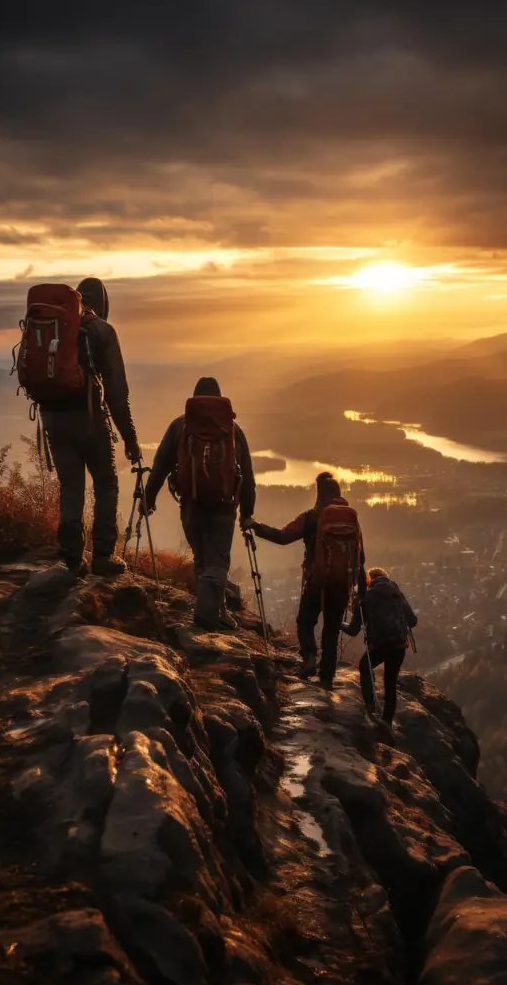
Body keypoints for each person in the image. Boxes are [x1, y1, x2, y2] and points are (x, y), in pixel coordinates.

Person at [41, 278, 141, 577]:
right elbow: (116, 393)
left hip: (52, 417)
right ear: (103, 302)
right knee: (106, 483)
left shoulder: (55, 327)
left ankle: (72, 557)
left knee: (71, 484)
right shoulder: (102, 331)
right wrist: (130, 437)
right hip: (87, 418)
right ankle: (102, 556)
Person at [144, 377, 255, 631]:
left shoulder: (180, 427)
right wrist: (248, 513)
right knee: (217, 564)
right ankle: (206, 618)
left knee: (203, 561)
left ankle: (217, 612)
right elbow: (247, 477)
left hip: (191, 507)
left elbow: (160, 464)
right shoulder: (233, 431)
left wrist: (148, 499)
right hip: (223, 508)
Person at [244, 472, 365, 690]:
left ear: (319, 493)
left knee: (305, 621)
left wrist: (255, 526)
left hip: (316, 582)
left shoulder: (312, 517)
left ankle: (309, 658)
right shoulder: (351, 519)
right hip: (341, 584)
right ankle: (327, 678)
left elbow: (283, 536)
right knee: (331, 629)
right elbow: (360, 557)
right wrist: (357, 587)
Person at [342, 566, 417, 725]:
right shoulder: (397, 593)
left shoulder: (366, 598)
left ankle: (370, 707)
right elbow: (413, 621)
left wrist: (337, 624)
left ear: (370, 580)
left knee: (364, 667)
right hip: (399, 644)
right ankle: (387, 721)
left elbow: (353, 630)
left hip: (380, 644)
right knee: (390, 682)